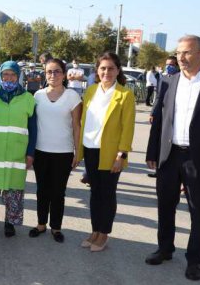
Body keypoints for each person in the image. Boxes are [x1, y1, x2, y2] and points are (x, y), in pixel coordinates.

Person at [145, 35, 200, 281]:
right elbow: (159, 120)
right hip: (169, 156)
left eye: (186, 52)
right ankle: (165, 249)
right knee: (165, 206)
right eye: (178, 53)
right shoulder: (168, 81)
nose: (181, 58)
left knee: (199, 211)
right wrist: (152, 152)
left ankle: (195, 260)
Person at [78, 52, 135, 252]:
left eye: (111, 68)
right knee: (95, 193)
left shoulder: (125, 95)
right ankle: (95, 230)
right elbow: (84, 121)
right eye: (103, 68)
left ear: (118, 71)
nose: (106, 72)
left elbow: (127, 127)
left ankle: (104, 234)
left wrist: (122, 154)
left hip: (111, 152)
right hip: (90, 149)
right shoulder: (91, 91)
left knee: (107, 194)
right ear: (97, 71)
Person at [0, 61, 35, 237]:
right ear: (0, 76)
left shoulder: (28, 98)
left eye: (13, 75)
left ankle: (10, 223)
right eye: (5, 75)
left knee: (14, 191)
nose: (9, 78)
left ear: (18, 77)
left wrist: (30, 153)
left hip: (16, 153)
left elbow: (33, 129)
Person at [31, 59, 82, 242]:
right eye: (49, 72)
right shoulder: (37, 95)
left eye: (57, 71)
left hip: (64, 152)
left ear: (64, 73)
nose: (53, 75)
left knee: (58, 192)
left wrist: (78, 151)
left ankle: (56, 227)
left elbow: (77, 126)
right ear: (45, 74)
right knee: (42, 190)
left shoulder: (73, 97)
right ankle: (41, 224)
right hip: (40, 151)